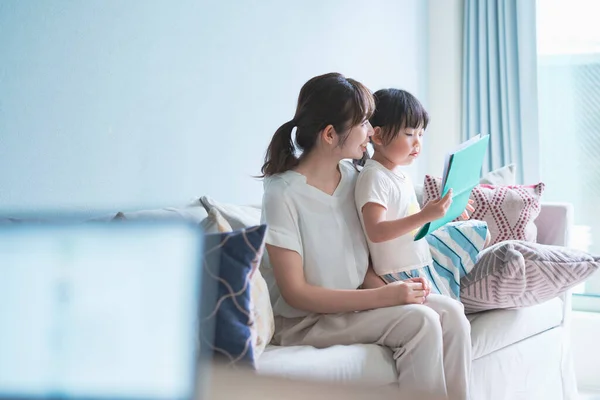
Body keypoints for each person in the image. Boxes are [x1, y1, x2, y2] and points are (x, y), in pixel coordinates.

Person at [260, 73, 471, 400]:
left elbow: (364, 257)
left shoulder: (354, 178)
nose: (371, 132)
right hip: (306, 321)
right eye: (362, 123)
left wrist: (394, 289)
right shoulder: (282, 193)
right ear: (331, 134)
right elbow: (296, 293)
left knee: (453, 315)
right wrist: (385, 297)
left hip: (353, 307)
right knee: (422, 323)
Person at [354, 88, 485, 300]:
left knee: (477, 231)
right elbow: (376, 231)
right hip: (400, 271)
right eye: (409, 134)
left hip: (418, 260)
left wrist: (445, 212)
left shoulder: (400, 175)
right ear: (377, 135)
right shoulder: (374, 176)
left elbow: (412, 227)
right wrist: (425, 215)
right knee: (448, 315)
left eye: (421, 134)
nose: (417, 143)